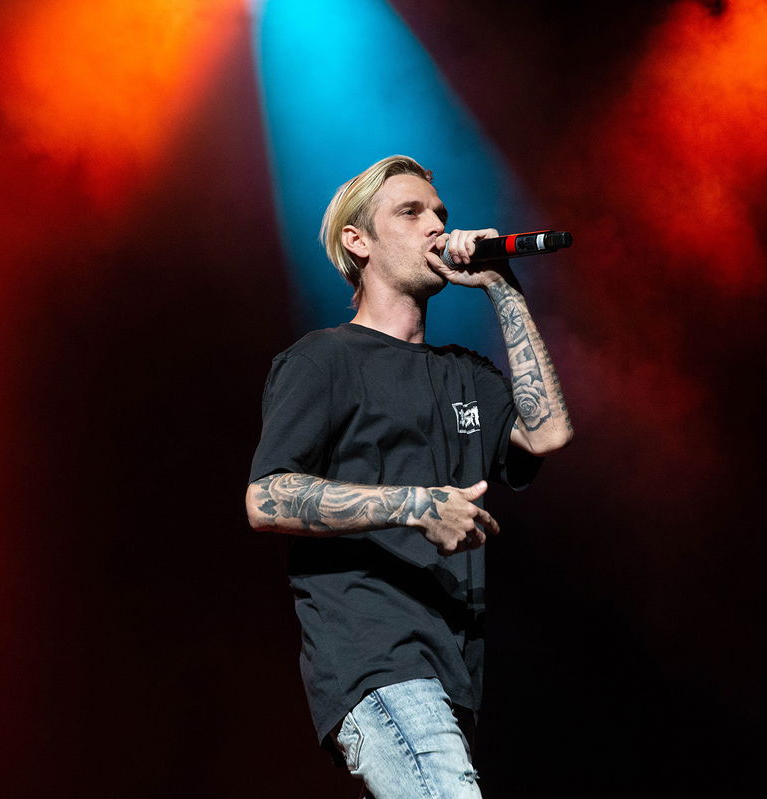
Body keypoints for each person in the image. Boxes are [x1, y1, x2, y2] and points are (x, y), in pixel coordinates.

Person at [245, 155, 573, 798]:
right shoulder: (324, 359)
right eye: (410, 211)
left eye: (441, 214)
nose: (436, 225)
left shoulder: (464, 373)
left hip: (453, 674)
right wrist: (418, 504)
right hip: (378, 663)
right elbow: (266, 495)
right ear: (358, 241)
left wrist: (504, 286)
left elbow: (547, 432)